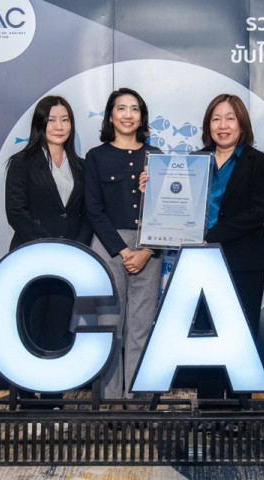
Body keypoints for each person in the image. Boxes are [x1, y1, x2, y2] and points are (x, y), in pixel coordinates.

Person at [5, 95, 92, 404]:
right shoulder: (22, 163)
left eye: (65, 120)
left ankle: (54, 394)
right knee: (30, 323)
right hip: (32, 258)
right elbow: (16, 213)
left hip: (69, 261)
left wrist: (74, 248)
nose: (59, 126)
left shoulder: (81, 166)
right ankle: (27, 394)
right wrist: (48, 247)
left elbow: (86, 214)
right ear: (40, 124)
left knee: (59, 324)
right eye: (52, 119)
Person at [84, 88, 164, 402]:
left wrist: (146, 250)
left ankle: (137, 398)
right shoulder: (96, 156)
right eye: (121, 108)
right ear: (110, 116)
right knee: (108, 325)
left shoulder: (157, 155)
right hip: (108, 246)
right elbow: (93, 209)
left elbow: (167, 208)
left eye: (134, 109)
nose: (128, 115)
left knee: (141, 325)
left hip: (149, 246)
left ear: (142, 117)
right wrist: (123, 250)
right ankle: (111, 399)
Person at [197, 93, 264, 400]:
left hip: (244, 262)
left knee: (242, 333)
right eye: (216, 119)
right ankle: (210, 404)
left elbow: (260, 211)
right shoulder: (194, 160)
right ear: (208, 125)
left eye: (230, 118)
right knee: (206, 332)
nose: (223, 125)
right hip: (201, 262)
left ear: (242, 123)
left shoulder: (259, 162)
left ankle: (241, 406)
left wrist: (214, 235)